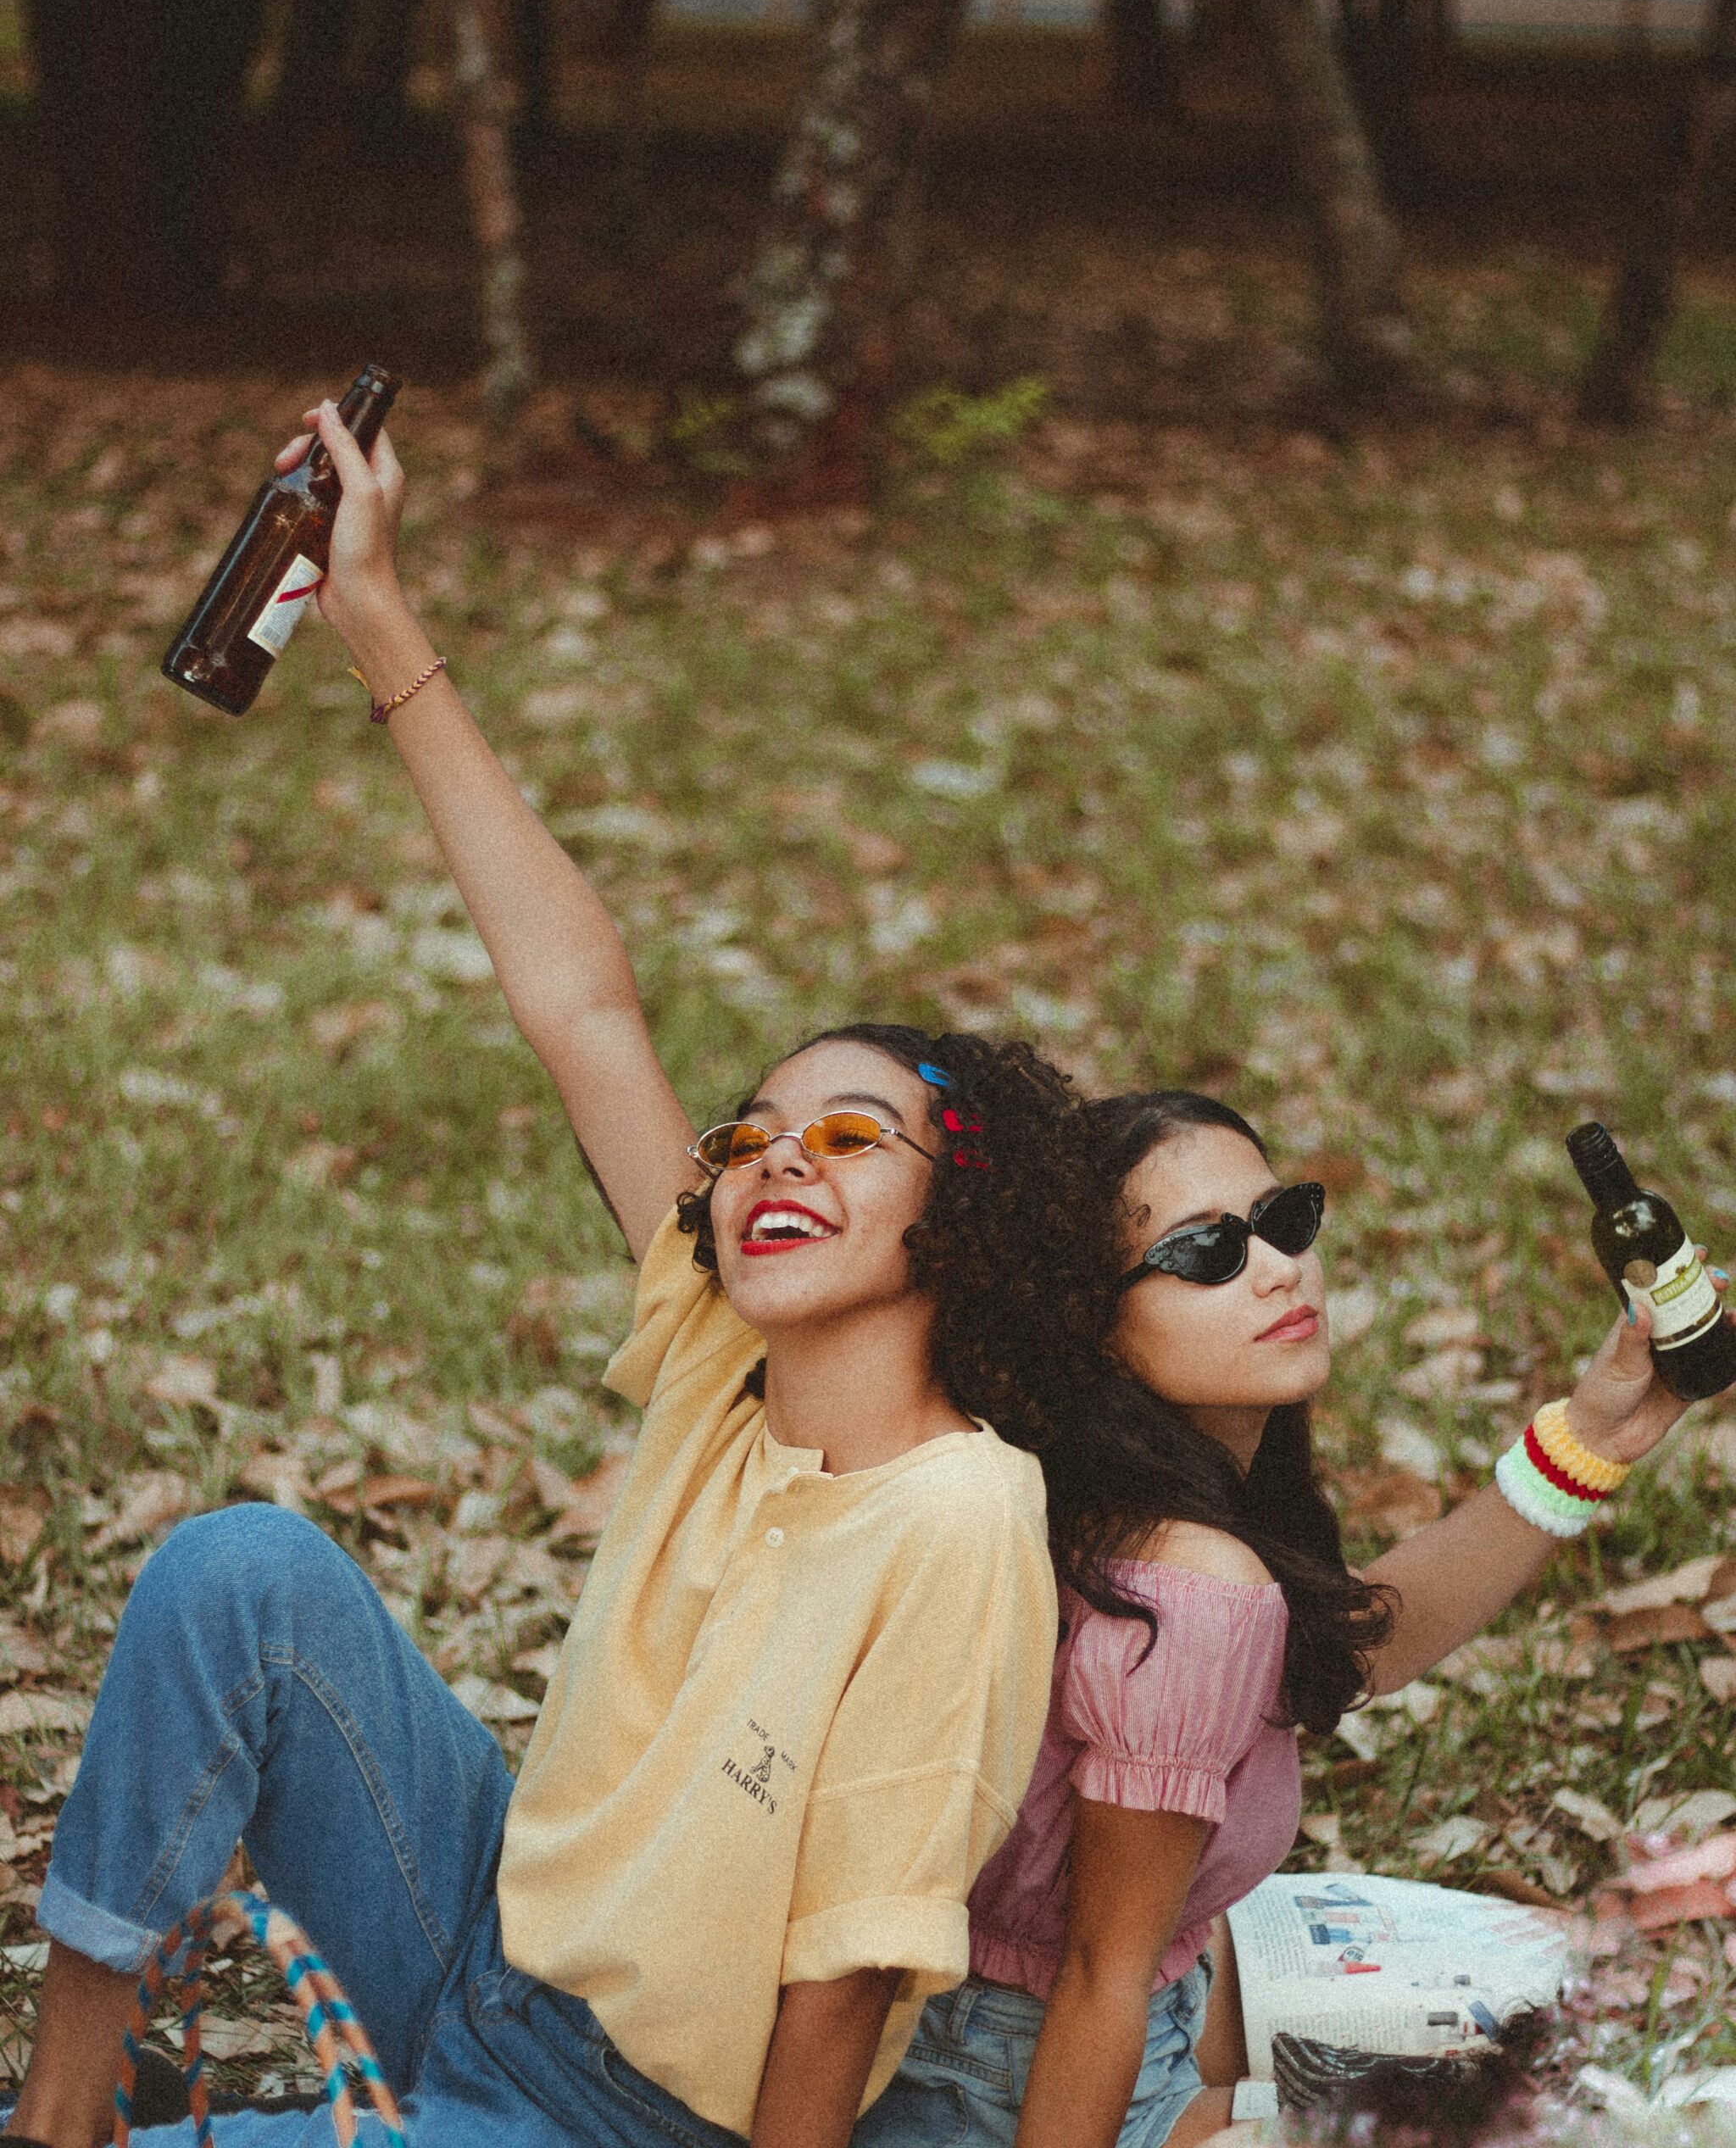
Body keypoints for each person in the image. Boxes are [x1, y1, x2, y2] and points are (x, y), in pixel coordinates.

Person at [0, 401, 1122, 2148]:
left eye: (847, 1139)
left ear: (957, 1222)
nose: (771, 1160)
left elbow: (842, 1977)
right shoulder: (716, 1358)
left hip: (627, 2122)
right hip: (480, 1938)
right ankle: (62, 2107)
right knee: (244, 1572)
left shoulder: (959, 1517)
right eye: (753, 1132)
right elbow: (579, 1000)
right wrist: (371, 608)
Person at [855, 1088, 1728, 2148]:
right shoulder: (1189, 1585)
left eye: (1281, 1221)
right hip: (1029, 2079)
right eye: (1202, 1253)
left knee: (1548, 2005)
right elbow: (1097, 1978)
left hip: (1080, 2006)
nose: (1275, 1266)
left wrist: (1588, 1440)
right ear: (1088, 1324)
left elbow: (1353, 1646)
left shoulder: (1129, 1504)